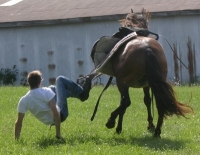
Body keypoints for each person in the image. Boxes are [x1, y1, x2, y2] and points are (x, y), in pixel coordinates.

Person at [14, 70, 91, 140]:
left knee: (53, 88)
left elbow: (19, 122)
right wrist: (58, 134)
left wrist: (16, 140)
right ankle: (81, 92)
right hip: (61, 114)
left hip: (49, 121)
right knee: (60, 80)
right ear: (39, 82)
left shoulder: (24, 100)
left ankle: (78, 91)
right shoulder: (46, 92)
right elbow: (56, 113)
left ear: (29, 83)